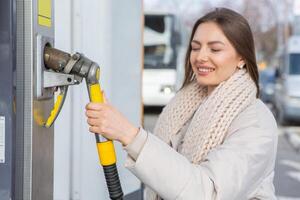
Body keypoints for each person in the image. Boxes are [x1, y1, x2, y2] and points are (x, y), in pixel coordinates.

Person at [85, 7, 278, 200]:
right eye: (195, 47)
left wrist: (129, 134)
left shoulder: (256, 122)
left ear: (242, 58)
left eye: (215, 49)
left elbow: (208, 193)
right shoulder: (185, 105)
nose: (200, 56)